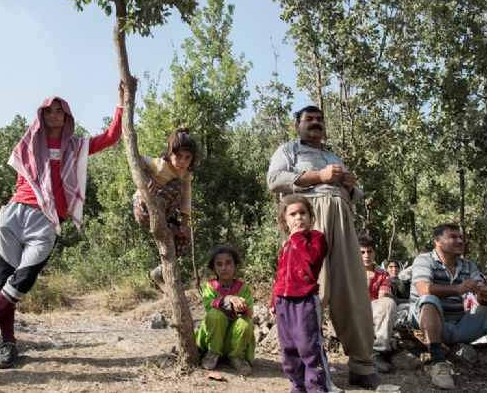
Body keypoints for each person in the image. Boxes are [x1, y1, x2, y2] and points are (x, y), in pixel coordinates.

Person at [0, 82, 126, 368]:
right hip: (15, 214)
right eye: (49, 110)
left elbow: (112, 136)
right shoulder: (27, 143)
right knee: (4, 285)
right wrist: (9, 209)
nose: (54, 114)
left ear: (67, 117)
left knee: (22, 280)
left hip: (46, 222)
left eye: (60, 111)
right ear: (41, 115)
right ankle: (8, 345)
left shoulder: (77, 147)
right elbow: (24, 181)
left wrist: (121, 103)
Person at [267, 105, 378, 389]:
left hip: (341, 218)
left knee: (352, 289)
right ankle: (310, 368)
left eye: (319, 120)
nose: (315, 123)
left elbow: (353, 194)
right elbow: (275, 180)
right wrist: (319, 176)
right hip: (309, 217)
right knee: (313, 289)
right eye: (309, 119)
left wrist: (351, 187)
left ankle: (362, 366)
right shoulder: (289, 150)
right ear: (298, 125)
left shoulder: (332, 155)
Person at [411, 224, 487, 389]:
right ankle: (439, 364)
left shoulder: (469, 266)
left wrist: (486, 295)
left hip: (459, 325)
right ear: (438, 241)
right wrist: (457, 288)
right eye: (453, 237)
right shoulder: (424, 260)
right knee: (429, 300)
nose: (460, 241)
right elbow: (423, 288)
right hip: (430, 324)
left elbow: (482, 295)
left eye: (460, 237)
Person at [271, 194, 331, 393]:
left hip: (304, 300)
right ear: (284, 221)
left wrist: (297, 237)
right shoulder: (286, 245)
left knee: (309, 346)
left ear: (310, 216)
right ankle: (297, 385)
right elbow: (281, 275)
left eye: (303, 213)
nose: (299, 218)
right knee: (289, 348)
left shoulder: (316, 239)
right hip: (283, 302)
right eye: (293, 214)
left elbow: (313, 259)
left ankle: (316, 387)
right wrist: (274, 301)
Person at [132, 127, 197, 288]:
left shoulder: (186, 175)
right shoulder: (159, 165)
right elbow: (135, 159)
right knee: (176, 186)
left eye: (187, 158)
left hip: (163, 214)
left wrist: (184, 224)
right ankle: (167, 222)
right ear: (170, 153)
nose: (182, 161)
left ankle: (160, 271)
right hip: (143, 207)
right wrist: (148, 179)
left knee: (184, 236)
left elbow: (186, 199)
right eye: (178, 156)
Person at [195, 246, 254, 376]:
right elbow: (208, 304)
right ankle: (213, 353)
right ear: (213, 268)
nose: (224, 268)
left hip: (233, 339)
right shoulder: (209, 287)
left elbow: (250, 311)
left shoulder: (243, 288)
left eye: (228, 263)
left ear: (236, 265)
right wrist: (227, 300)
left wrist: (242, 309)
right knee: (216, 314)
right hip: (214, 336)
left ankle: (236, 356)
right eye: (219, 264)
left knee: (246, 322)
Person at [358, 235, 397, 373]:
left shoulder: (382, 274)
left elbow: (382, 300)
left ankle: (378, 351)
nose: (366, 255)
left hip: (373, 308)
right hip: (352, 308)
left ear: (375, 253)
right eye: (362, 252)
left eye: (369, 251)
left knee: (389, 302)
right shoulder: (349, 271)